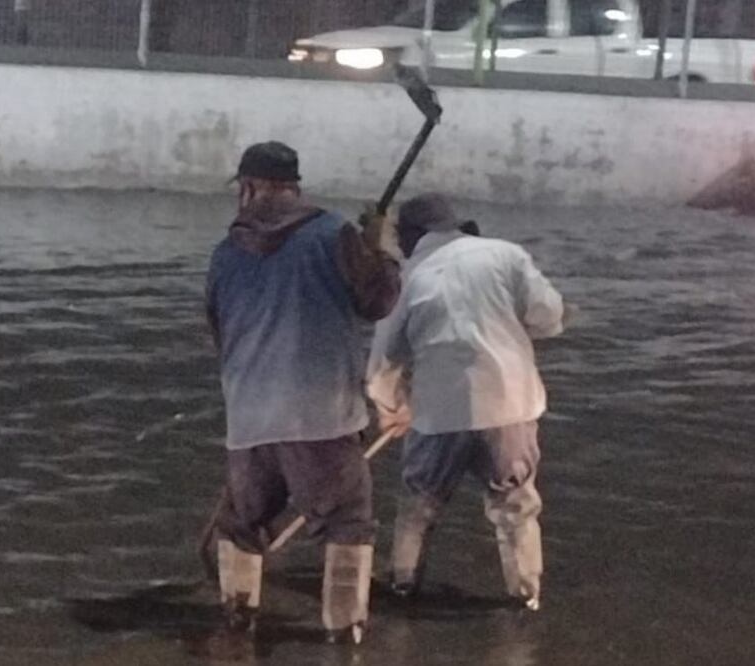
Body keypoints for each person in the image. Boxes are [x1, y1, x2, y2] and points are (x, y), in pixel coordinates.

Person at [206, 141, 401, 643]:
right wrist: (379, 247)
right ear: (294, 186)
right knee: (346, 523)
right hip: (322, 416)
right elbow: (378, 301)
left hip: (249, 418)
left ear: (249, 188)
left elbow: (218, 328)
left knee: (241, 524)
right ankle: (345, 636)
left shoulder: (226, 251)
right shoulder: (334, 234)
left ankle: (237, 623)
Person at [367, 192, 569, 611]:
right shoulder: (507, 256)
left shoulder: (408, 277)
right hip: (510, 407)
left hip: (439, 414)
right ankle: (526, 596)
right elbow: (550, 318)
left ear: (412, 235)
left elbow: (384, 359)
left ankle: (403, 585)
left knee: (419, 505)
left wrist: (392, 406)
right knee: (515, 506)